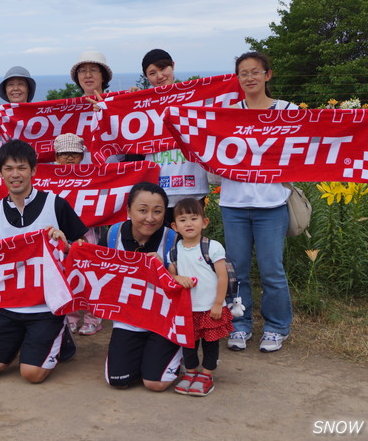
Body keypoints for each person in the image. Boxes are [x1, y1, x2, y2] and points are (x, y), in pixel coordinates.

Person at [0, 139, 88, 383]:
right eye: (9, 168)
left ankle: (59, 333)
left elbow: (85, 248)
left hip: (47, 307)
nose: (16, 174)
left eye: (22, 168)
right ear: (0, 172)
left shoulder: (55, 205)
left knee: (31, 374)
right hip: (8, 306)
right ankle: (23, 341)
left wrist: (65, 245)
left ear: (33, 170)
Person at [222, 51, 295, 353]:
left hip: (272, 204)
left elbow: (310, 144)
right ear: (237, 79)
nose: (249, 77)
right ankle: (239, 325)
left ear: (268, 75)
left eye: (255, 71)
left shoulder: (287, 110)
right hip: (233, 204)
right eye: (243, 73)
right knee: (235, 270)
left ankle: (277, 327)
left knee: (271, 270)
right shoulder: (226, 113)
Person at [100, 182, 181, 392]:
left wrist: (164, 268)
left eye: (158, 211)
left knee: (155, 383)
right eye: (142, 210)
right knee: (118, 380)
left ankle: (171, 350)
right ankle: (143, 354)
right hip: (128, 319)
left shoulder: (174, 239)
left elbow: (191, 280)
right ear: (128, 211)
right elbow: (92, 266)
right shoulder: (112, 235)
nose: (150, 218)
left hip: (163, 320)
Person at [166, 198, 232, 396]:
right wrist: (177, 277)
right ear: (174, 226)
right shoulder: (175, 251)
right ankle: (191, 371)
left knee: (210, 343)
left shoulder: (212, 247)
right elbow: (171, 274)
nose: (188, 224)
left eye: (194, 218)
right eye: (183, 219)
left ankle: (206, 375)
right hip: (187, 309)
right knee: (189, 344)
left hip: (210, 307)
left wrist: (218, 303)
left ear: (204, 222)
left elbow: (223, 276)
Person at [140, 49, 209, 223]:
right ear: (146, 77)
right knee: (160, 245)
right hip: (157, 191)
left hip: (192, 187)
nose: (160, 76)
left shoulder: (194, 97)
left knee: (191, 243)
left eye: (163, 68)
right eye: (152, 73)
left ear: (173, 66)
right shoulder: (140, 104)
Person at [52, 133, 101, 335]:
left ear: (82, 155)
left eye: (74, 153)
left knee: (89, 273)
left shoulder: (93, 174)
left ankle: (93, 318)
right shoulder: (48, 177)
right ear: (56, 156)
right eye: (64, 154)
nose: (70, 158)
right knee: (66, 274)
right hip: (60, 234)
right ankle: (70, 317)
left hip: (87, 231)